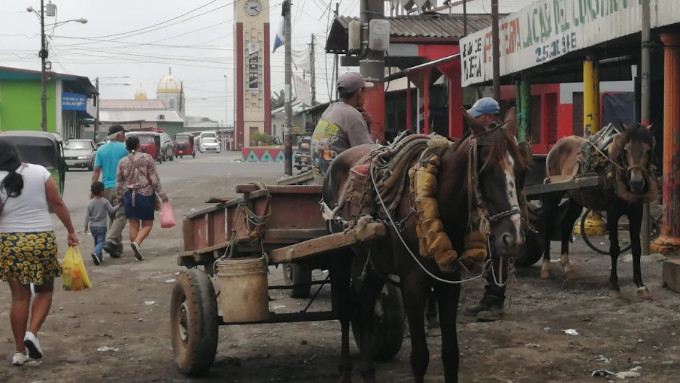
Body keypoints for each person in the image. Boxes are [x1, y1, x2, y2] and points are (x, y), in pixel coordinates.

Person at [0, 141, 79, 366]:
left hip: (11, 241)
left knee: (19, 297)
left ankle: (19, 352)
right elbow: (57, 202)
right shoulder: (39, 171)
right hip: (42, 240)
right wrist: (71, 231)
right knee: (44, 291)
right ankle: (32, 333)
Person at [461, 97, 509, 322]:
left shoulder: (497, 142)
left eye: (477, 115)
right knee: (491, 251)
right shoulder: (482, 139)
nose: (474, 119)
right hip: (489, 206)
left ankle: (496, 301)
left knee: (500, 253)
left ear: (488, 117)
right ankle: (487, 298)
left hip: (500, 207)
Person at [311, 72, 375, 180]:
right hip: (339, 184)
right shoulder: (352, 115)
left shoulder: (330, 110)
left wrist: (367, 125)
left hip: (321, 178)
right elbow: (370, 156)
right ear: (359, 92)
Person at [116, 135, 168, 261]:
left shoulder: (122, 161)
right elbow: (154, 179)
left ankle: (136, 252)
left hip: (129, 195)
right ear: (139, 145)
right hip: (145, 194)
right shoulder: (147, 158)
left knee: (133, 225)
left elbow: (119, 181)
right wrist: (162, 195)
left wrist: (120, 197)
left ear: (126, 147)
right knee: (148, 224)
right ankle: (137, 243)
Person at [91, 125, 129, 258]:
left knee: (113, 217)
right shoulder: (125, 148)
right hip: (120, 187)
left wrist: (93, 189)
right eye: (124, 133)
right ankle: (111, 239)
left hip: (105, 189)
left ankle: (116, 247)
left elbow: (96, 171)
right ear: (118, 135)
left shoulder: (101, 150)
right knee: (122, 216)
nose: (125, 136)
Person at [84, 181, 118, 266]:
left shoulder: (89, 203)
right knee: (101, 242)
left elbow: (86, 216)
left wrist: (85, 226)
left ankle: (98, 258)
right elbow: (111, 210)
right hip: (102, 226)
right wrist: (120, 205)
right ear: (102, 192)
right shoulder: (104, 201)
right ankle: (96, 252)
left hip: (92, 227)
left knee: (96, 241)